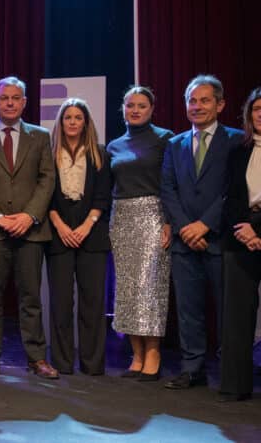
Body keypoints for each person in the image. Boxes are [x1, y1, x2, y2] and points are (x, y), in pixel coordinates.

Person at [160, 74, 243, 390]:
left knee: (227, 310)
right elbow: (167, 189)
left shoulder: (237, 140)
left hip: (221, 239)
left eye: (204, 100)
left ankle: (230, 371)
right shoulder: (174, 143)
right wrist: (184, 226)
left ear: (220, 105)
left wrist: (205, 224)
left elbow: (234, 190)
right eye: (192, 101)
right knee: (188, 309)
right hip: (184, 242)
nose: (197, 106)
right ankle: (192, 369)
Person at [0, 76, 57, 379]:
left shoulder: (40, 136)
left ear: (24, 102)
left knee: (31, 298)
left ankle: (37, 358)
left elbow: (47, 179)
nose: (10, 102)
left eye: (16, 97)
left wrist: (29, 216)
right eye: (4, 97)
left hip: (31, 232)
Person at [106, 85, 173, 379]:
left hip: (153, 216)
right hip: (121, 217)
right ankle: (136, 355)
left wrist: (169, 220)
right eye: (130, 105)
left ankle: (153, 353)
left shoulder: (164, 139)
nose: (135, 110)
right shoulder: (113, 146)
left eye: (141, 105)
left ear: (151, 109)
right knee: (128, 289)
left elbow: (172, 183)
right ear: (123, 108)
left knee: (151, 288)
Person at [45, 98, 111, 375]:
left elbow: (103, 196)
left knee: (93, 303)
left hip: (92, 234)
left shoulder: (100, 153)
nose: (72, 122)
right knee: (60, 303)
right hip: (58, 233)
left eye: (78, 118)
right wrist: (60, 225)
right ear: (60, 123)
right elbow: (45, 196)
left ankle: (92, 364)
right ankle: (61, 363)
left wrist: (86, 226)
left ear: (86, 123)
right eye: (67, 118)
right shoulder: (48, 153)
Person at [218, 87, 261, 402]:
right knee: (237, 316)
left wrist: (258, 230)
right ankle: (235, 385)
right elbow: (230, 197)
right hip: (240, 238)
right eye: (256, 109)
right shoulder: (238, 150)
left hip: (256, 231)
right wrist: (244, 230)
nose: (260, 114)